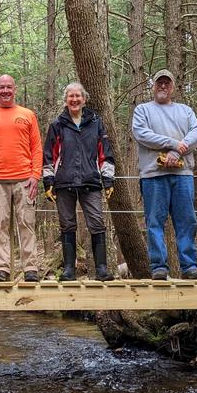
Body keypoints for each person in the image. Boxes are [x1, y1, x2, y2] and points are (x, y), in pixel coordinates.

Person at [131, 69, 197, 280]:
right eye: (159, 83)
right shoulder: (142, 110)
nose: (163, 86)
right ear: (153, 86)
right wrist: (172, 144)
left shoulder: (185, 111)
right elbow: (142, 134)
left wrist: (177, 151)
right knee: (154, 222)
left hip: (182, 174)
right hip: (153, 174)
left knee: (187, 221)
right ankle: (158, 266)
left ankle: (189, 266)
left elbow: (195, 133)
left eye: (167, 83)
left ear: (173, 87)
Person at [42, 82, 115, 281]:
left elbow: (105, 154)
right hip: (64, 182)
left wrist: (108, 180)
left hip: (91, 181)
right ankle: (68, 270)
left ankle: (101, 269)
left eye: (78, 96)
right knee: (67, 225)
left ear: (84, 99)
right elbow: (49, 156)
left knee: (97, 223)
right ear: (66, 100)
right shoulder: (57, 125)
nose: (74, 100)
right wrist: (48, 182)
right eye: (70, 96)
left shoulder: (96, 123)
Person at [0, 74, 43, 282]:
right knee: (0, 226)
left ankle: (30, 268)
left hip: (25, 180)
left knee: (26, 224)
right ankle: (1, 268)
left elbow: (36, 147)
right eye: (1, 87)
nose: (5, 91)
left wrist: (35, 175)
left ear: (15, 89)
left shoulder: (28, 115)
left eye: (9, 87)